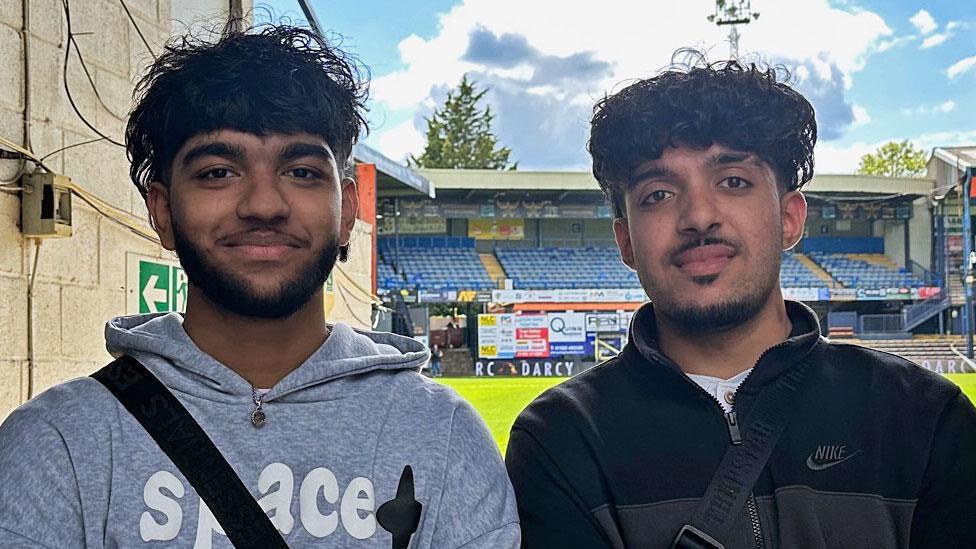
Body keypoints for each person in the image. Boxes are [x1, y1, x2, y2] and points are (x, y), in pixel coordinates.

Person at [0, 25, 519, 548]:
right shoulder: (58, 441)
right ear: (162, 211)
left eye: (301, 171)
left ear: (347, 212)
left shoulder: (442, 434)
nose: (263, 205)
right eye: (218, 172)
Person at [505, 56, 976, 548]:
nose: (699, 215)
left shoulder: (924, 418)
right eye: (658, 194)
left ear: (790, 217)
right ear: (625, 241)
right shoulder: (561, 438)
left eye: (733, 181)